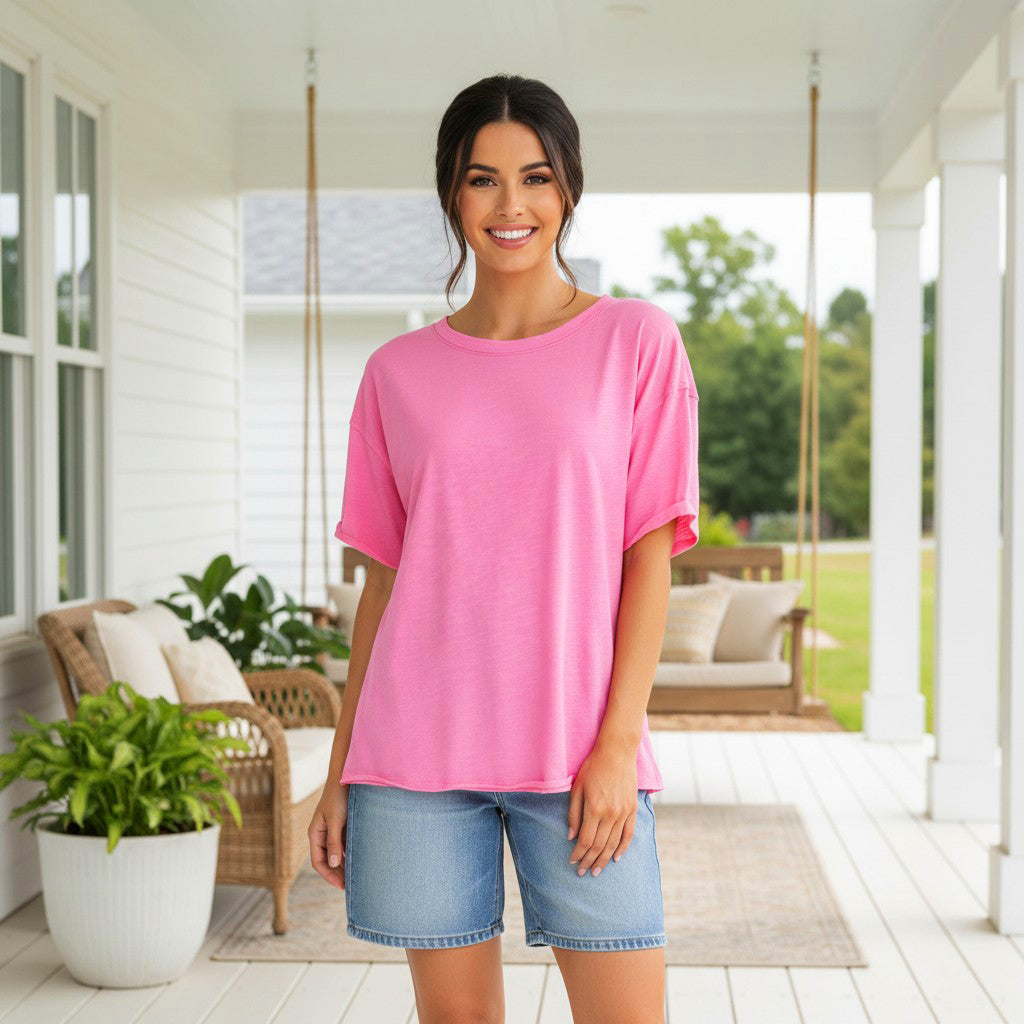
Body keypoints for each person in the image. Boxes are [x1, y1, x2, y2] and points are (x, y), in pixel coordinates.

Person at [308, 73, 700, 1024]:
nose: (510, 204)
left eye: (536, 177)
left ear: (568, 188)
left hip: (578, 753)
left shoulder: (636, 342)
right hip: (415, 757)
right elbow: (384, 589)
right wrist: (340, 770)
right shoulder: (396, 373)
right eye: (483, 178)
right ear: (453, 192)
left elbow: (649, 557)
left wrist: (617, 747)